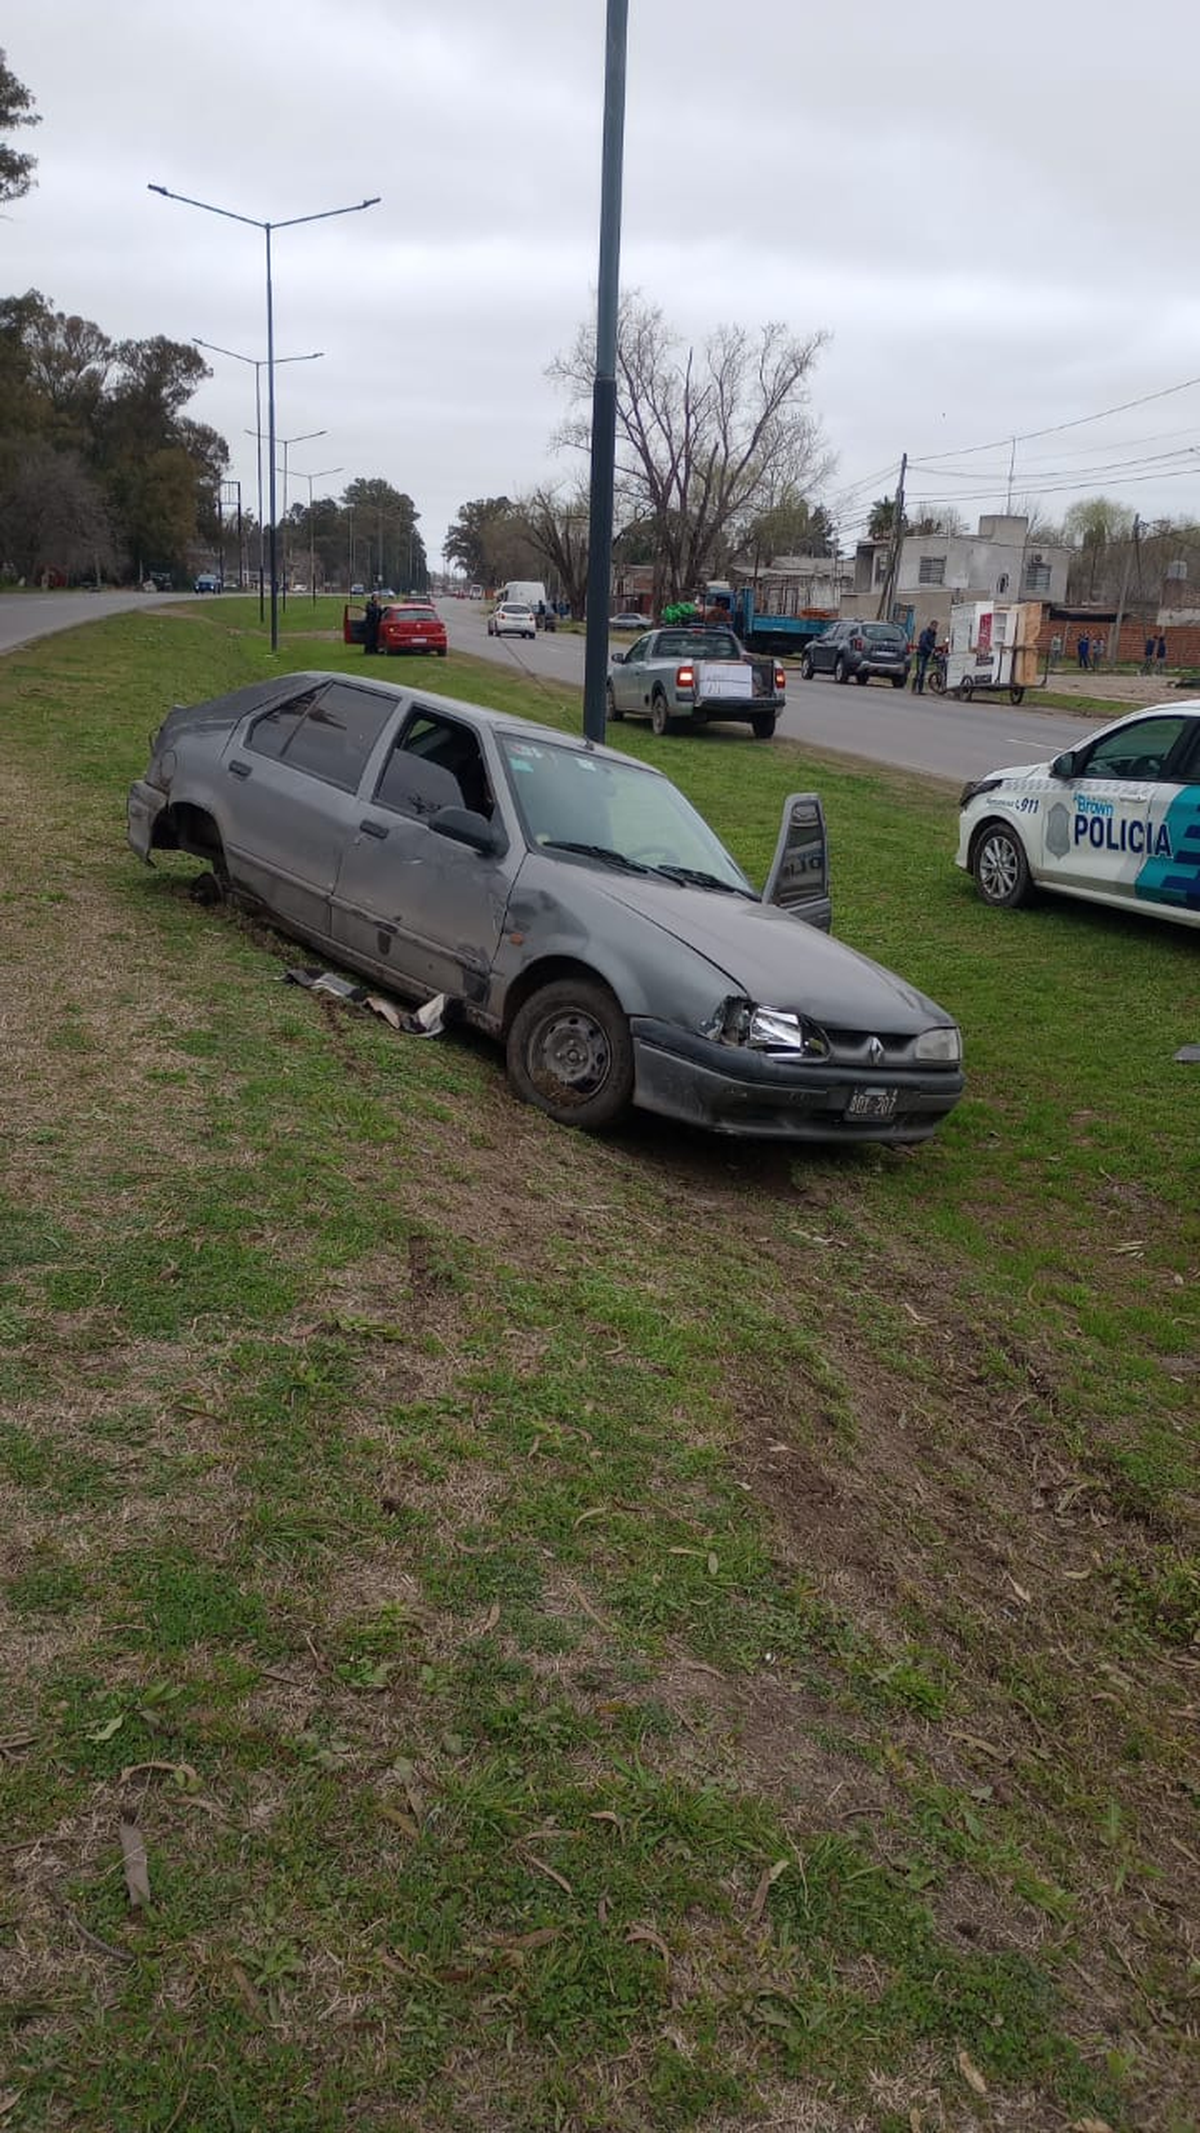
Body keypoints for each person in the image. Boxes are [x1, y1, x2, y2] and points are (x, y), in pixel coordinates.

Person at [913, 618, 938, 694]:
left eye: (936, 627)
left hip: (926, 655)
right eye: (934, 626)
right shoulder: (925, 633)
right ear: (930, 626)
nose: (935, 628)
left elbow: (932, 644)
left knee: (923, 672)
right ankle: (915, 688)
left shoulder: (934, 634)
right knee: (920, 672)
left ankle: (919, 690)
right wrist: (930, 649)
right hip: (921, 654)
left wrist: (934, 650)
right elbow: (923, 643)